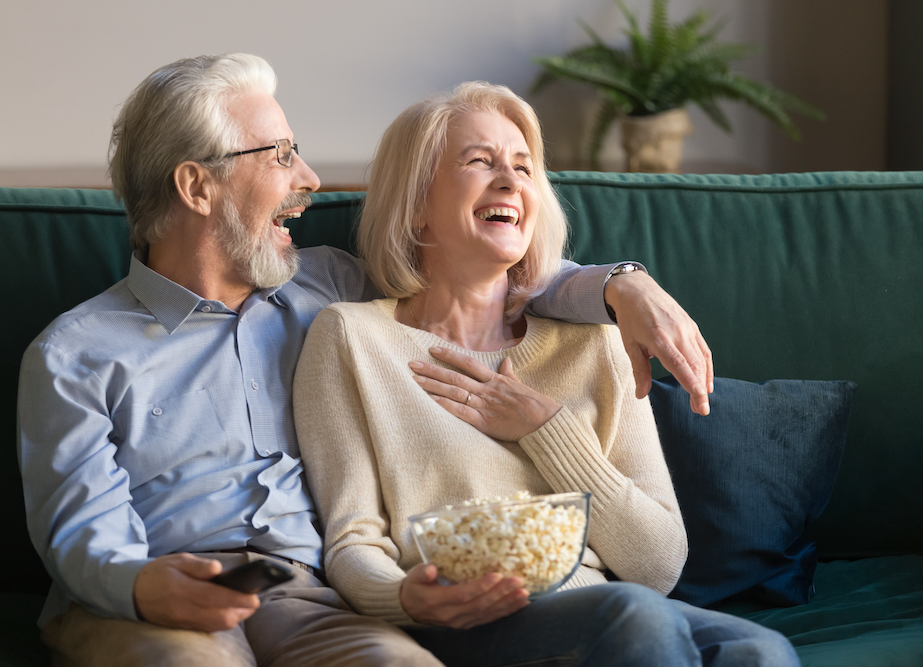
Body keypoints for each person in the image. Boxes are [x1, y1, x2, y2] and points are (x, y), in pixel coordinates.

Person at [18, 53, 712, 666]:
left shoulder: (333, 285)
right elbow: (80, 533)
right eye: (281, 155)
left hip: (304, 595)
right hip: (145, 598)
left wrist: (623, 285)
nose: (311, 179)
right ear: (197, 187)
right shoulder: (74, 352)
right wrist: (141, 587)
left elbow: (485, 270)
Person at [293, 81, 800, 666]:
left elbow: (657, 565)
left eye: (523, 167)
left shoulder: (596, 344)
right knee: (633, 617)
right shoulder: (352, 339)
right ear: (416, 207)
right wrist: (404, 596)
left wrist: (546, 427)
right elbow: (353, 540)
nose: (509, 181)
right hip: (462, 624)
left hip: (612, 613)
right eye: (479, 162)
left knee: (758, 648)